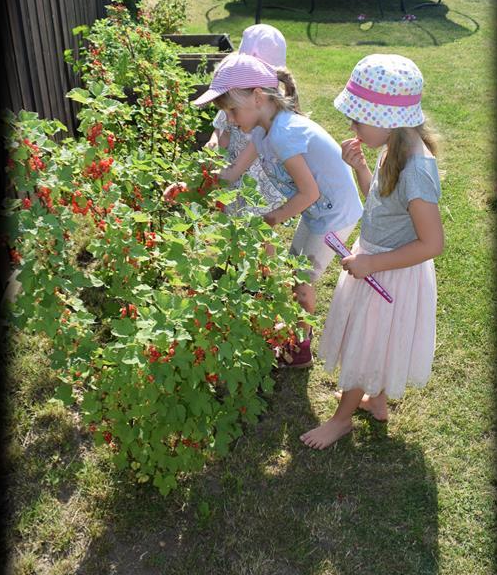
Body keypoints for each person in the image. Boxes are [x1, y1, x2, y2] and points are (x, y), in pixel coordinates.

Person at [165, 52, 363, 368]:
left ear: (258, 97)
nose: (229, 119)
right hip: (318, 211)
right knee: (294, 270)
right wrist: (188, 186)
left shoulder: (284, 133)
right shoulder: (261, 130)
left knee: (302, 280)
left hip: (335, 212)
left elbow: (309, 192)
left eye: (231, 109)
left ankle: (299, 351)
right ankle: (295, 337)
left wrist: (270, 219)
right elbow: (231, 173)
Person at [300, 53, 444, 449]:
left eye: (358, 118)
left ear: (386, 119)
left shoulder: (417, 169)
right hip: (376, 260)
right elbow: (380, 205)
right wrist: (361, 169)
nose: (352, 125)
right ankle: (375, 400)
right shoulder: (393, 148)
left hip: (391, 269)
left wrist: (372, 263)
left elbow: (432, 243)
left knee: (366, 340)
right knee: (372, 337)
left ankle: (341, 419)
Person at [204, 24, 286, 217]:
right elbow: (221, 129)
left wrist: (198, 181)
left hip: (258, 185)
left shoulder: (269, 120)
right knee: (232, 220)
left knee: (261, 229)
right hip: (232, 174)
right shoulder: (235, 99)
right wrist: (215, 142)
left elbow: (236, 170)